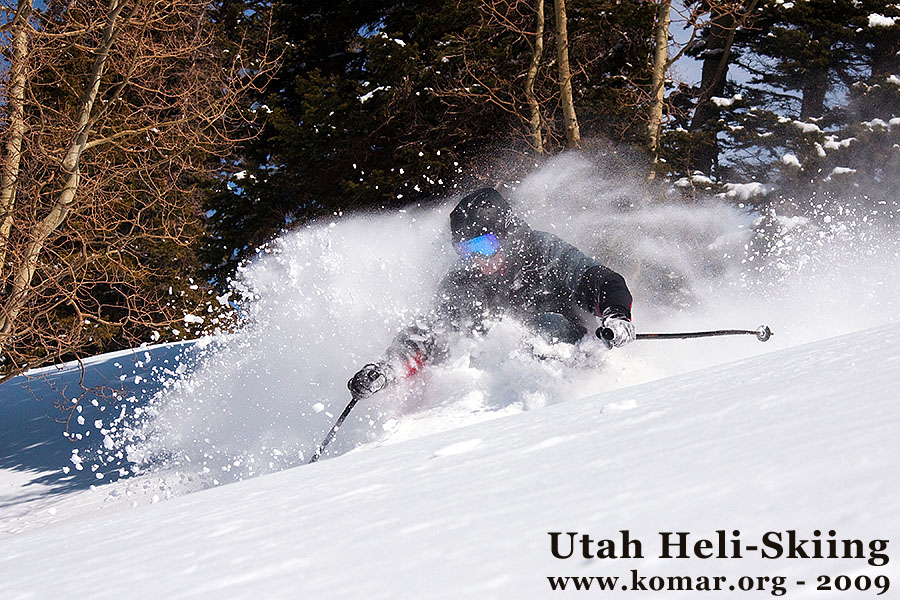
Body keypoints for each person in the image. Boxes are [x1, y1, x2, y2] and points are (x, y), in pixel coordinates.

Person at [348, 187, 635, 399]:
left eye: (483, 246)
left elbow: (600, 280)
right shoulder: (461, 282)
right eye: (465, 251)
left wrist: (616, 316)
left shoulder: (543, 251)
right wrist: (387, 369)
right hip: (501, 390)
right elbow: (430, 334)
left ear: (507, 234)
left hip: (570, 366)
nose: (476, 259)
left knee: (548, 324)